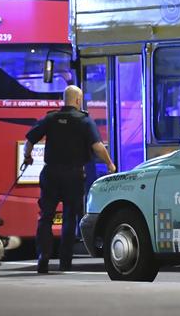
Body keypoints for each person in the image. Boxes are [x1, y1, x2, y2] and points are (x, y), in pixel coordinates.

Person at [23, 85, 116, 273]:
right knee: (69, 217)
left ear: (64, 99)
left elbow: (30, 140)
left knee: (46, 216)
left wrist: (28, 156)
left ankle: (43, 256)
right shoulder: (84, 120)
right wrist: (110, 164)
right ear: (78, 100)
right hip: (73, 175)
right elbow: (97, 146)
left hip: (50, 174)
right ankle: (65, 261)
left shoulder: (50, 118)